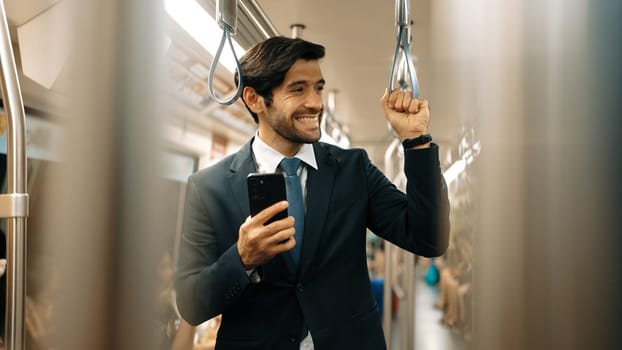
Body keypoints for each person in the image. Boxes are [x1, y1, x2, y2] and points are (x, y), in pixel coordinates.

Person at [174, 36, 450, 350]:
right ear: (254, 99)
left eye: (318, 87)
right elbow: (191, 304)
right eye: (298, 89)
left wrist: (417, 142)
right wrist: (242, 259)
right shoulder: (209, 187)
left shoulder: (353, 169)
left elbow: (428, 238)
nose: (316, 102)